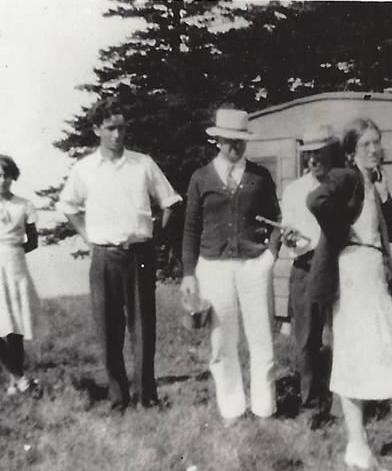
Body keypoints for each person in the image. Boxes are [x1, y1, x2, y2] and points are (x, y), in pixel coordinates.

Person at [57, 96, 182, 412]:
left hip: (139, 253)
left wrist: (156, 236)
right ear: (97, 129)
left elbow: (170, 202)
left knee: (142, 326)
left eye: (122, 128)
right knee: (108, 330)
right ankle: (117, 396)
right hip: (104, 258)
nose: (117, 135)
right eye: (111, 128)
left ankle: (146, 395)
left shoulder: (143, 163)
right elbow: (68, 206)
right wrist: (88, 236)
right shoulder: (84, 169)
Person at [307, 117, 392, 470]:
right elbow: (316, 200)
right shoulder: (348, 177)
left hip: (374, 273)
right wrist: (343, 232)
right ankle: (356, 444)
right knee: (355, 353)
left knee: (378, 351)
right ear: (351, 152)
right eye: (365, 144)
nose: (374, 150)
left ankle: (362, 440)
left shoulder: (372, 182)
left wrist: (386, 195)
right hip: (354, 273)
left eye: (377, 143)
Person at [180, 108, 281, 423]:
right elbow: (191, 228)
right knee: (222, 339)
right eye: (228, 140)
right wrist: (187, 272)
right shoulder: (201, 178)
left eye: (240, 141)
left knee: (261, 336)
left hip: (253, 265)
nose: (234, 147)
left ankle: (264, 408)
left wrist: (270, 256)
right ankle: (233, 408)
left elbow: (277, 220)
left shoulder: (260, 176)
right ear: (218, 140)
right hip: (214, 266)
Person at [280, 124, 340, 424]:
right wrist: (289, 239)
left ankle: (343, 399)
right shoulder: (294, 190)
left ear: (331, 153)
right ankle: (310, 402)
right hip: (305, 266)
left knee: (341, 333)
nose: (314, 160)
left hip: (340, 265)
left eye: (320, 154)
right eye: (309, 155)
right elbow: (288, 236)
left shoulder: (342, 185)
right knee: (307, 337)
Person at [0, 154, 42, 396]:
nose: (3, 181)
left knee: (15, 326)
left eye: (7, 175)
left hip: (14, 263)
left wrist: (12, 250)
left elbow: (33, 241)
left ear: (14, 176)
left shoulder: (24, 204)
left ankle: (16, 382)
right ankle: (21, 378)